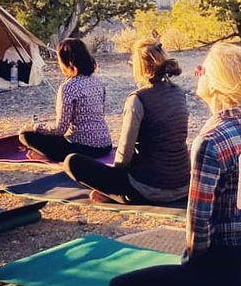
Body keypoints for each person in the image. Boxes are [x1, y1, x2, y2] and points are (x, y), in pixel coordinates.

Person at [109, 43, 241, 286]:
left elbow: (199, 223)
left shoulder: (210, 140)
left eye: (203, 70)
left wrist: (191, 267)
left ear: (215, 83)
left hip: (229, 269)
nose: (197, 73)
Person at [64, 38, 189, 204]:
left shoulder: (138, 99)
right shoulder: (179, 93)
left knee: (72, 162)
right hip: (182, 185)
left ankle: (115, 195)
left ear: (139, 67)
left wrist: (113, 181)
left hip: (149, 187)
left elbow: (124, 153)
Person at [18, 38, 112, 162]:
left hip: (83, 149)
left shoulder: (68, 87)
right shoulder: (97, 82)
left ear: (65, 61)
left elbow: (60, 129)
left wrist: (34, 127)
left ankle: (47, 155)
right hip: (105, 146)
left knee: (25, 136)